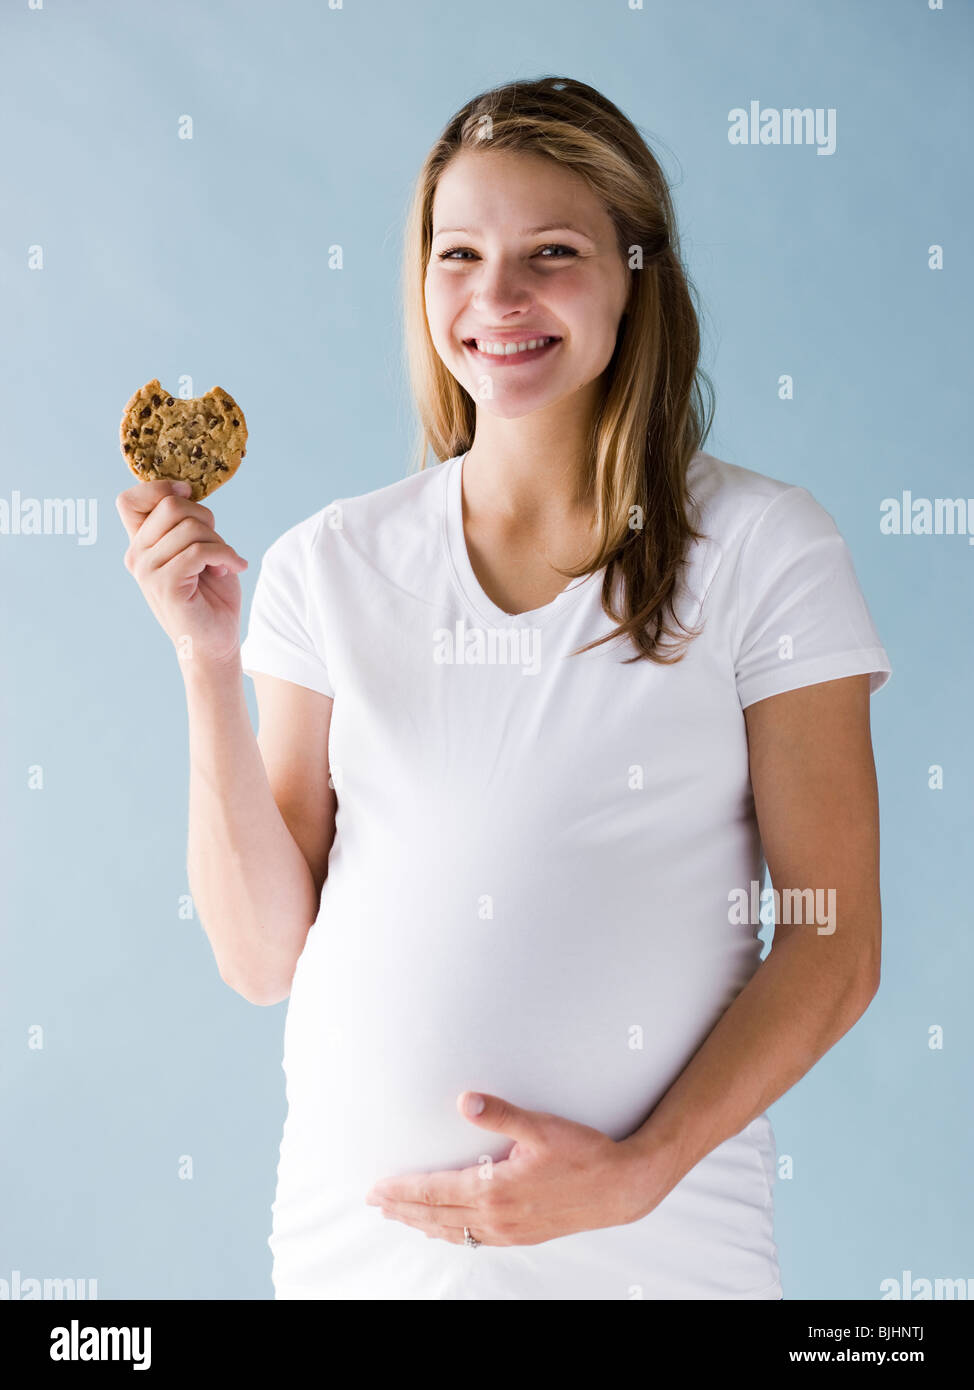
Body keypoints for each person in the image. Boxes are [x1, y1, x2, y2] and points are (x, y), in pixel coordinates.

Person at [116, 76, 891, 1300]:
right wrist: (204, 662)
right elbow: (265, 956)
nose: (496, 297)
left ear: (637, 272)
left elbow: (831, 947)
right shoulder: (330, 563)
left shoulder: (763, 549)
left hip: (656, 1260)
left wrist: (638, 1169)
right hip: (357, 1262)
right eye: (459, 253)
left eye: (553, 253)